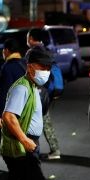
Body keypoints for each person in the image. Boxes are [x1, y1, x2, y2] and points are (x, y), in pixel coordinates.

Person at [0, 48, 67, 180]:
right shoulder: (22, 88)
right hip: (22, 147)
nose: (46, 71)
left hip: (25, 144)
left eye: (48, 67)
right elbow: (9, 117)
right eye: (42, 67)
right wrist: (25, 140)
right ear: (30, 67)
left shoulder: (32, 86)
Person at [27, 28, 62, 160]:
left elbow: (29, 72)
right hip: (48, 92)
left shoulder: (32, 52)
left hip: (37, 91)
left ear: (31, 38)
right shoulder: (47, 50)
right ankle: (55, 149)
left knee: (32, 122)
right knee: (45, 121)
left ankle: (33, 152)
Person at [0, 39, 27, 148]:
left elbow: (5, 93)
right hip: (27, 106)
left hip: (13, 109)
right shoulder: (25, 63)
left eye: (3, 50)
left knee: (7, 144)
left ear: (7, 50)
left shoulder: (8, 67)